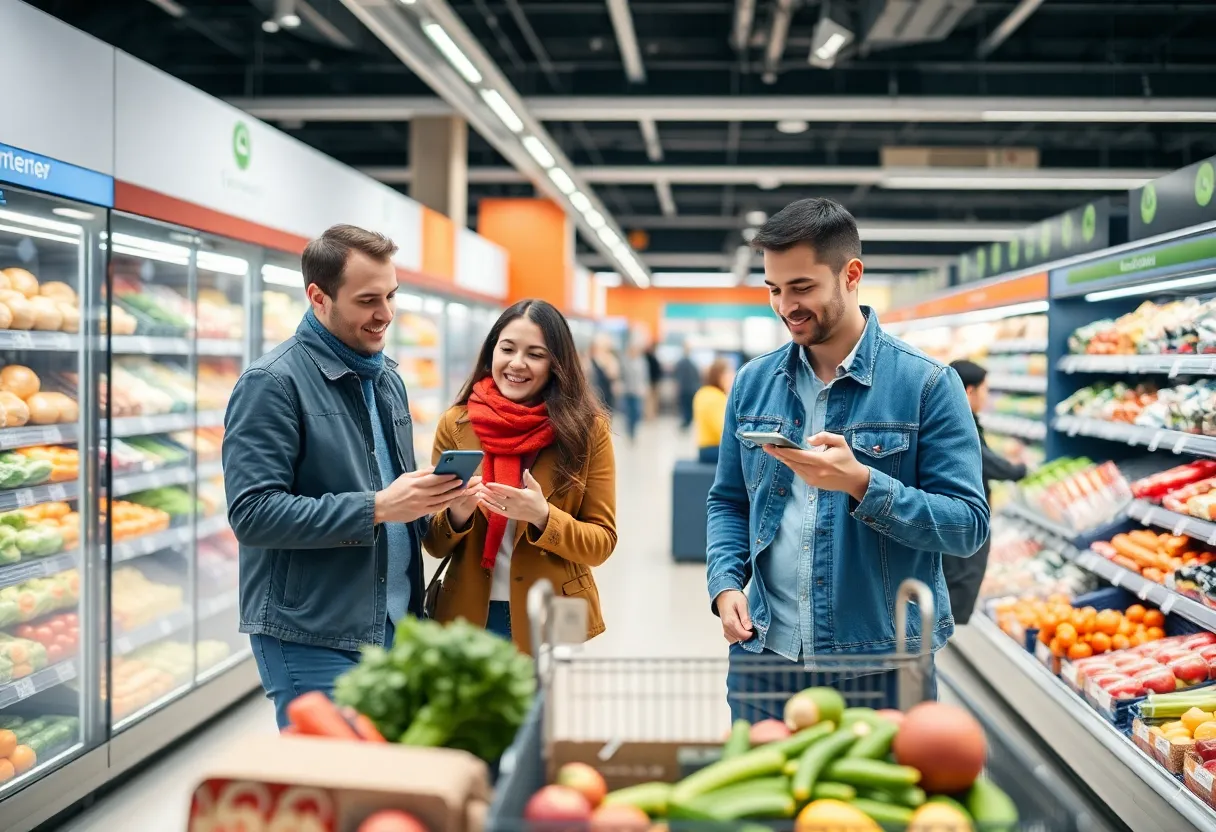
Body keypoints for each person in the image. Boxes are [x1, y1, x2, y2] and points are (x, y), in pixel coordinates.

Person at [705, 198, 990, 722]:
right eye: (774, 289)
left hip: (880, 662)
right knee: (761, 804)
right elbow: (728, 501)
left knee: (879, 805)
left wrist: (864, 484)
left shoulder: (926, 385)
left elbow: (967, 526)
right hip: (766, 652)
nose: (785, 305)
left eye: (802, 287)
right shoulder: (753, 384)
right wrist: (725, 583)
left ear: (851, 274)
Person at [224, 224, 467, 729]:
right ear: (319, 297)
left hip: (395, 625)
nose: (386, 314)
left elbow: (398, 507)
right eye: (368, 300)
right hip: (313, 635)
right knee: (336, 783)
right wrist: (377, 507)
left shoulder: (387, 379)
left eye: (392, 295)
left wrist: (446, 506)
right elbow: (253, 514)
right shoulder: (272, 384)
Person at [423, 299, 617, 653]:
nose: (516, 363)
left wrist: (542, 517)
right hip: (468, 611)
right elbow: (433, 543)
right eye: (507, 348)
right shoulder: (456, 424)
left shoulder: (587, 431)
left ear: (557, 365)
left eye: (535, 354)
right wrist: (458, 514)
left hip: (553, 611)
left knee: (539, 710)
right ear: (491, 351)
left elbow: (601, 542)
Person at [945, 359, 1029, 625]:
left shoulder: (948, 415)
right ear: (969, 391)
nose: (987, 396)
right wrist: (1018, 470)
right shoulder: (957, 420)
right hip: (962, 521)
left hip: (956, 519)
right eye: (985, 390)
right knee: (959, 584)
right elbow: (981, 459)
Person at [693, 358, 734, 465]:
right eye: (729, 376)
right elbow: (723, 430)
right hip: (713, 449)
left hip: (703, 448)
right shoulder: (716, 396)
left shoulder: (701, 393)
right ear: (720, 376)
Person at [619, 341, 649, 442]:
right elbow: (621, 375)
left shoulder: (641, 362)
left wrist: (644, 387)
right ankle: (630, 431)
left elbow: (644, 376)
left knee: (637, 412)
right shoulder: (625, 362)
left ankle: (634, 429)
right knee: (628, 411)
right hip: (627, 390)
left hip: (638, 391)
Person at [674, 344, 702, 431]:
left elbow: (676, 376)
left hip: (685, 388)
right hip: (691, 388)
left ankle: (686, 422)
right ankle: (687, 422)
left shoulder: (680, 363)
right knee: (689, 406)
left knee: (685, 406)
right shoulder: (693, 363)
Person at [589, 335, 620, 413]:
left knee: (608, 412)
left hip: (607, 391)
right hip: (596, 391)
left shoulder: (611, 359)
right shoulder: (592, 359)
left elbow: (613, 375)